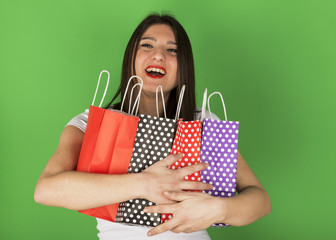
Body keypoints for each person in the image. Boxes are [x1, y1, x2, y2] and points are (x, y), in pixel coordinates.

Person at [34, 14, 271, 239]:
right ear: (131, 58)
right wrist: (144, 183)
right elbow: (47, 190)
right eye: (147, 46)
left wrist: (221, 209)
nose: (158, 56)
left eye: (172, 50)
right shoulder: (90, 124)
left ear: (184, 67)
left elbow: (260, 200)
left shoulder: (203, 123)